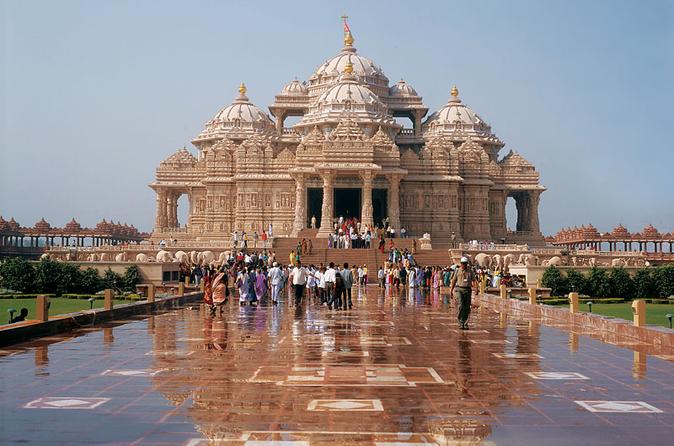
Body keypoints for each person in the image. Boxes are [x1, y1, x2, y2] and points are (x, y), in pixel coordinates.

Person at [450, 257, 477, 330]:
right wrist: (451, 290)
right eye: (463, 264)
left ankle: (465, 323)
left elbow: (474, 281)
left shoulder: (470, 271)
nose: (464, 265)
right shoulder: (457, 271)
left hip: (467, 289)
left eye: (465, 264)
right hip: (459, 289)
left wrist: (476, 288)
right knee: (461, 305)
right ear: (461, 264)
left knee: (467, 307)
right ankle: (461, 322)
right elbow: (454, 281)